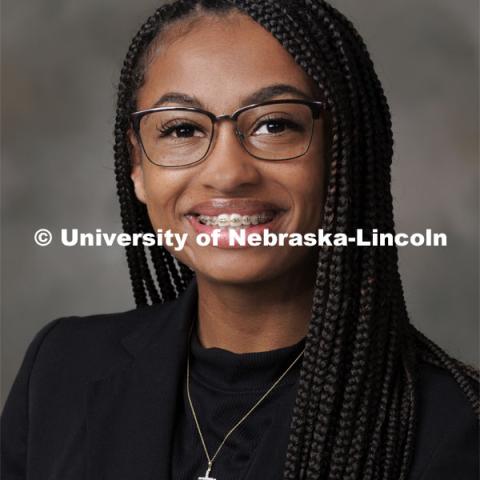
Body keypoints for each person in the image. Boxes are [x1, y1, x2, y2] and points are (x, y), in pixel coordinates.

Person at [2, 0, 478, 479]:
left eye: (275, 125)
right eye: (182, 128)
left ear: (344, 155)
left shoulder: (455, 427)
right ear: (138, 169)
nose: (228, 174)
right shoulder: (60, 367)